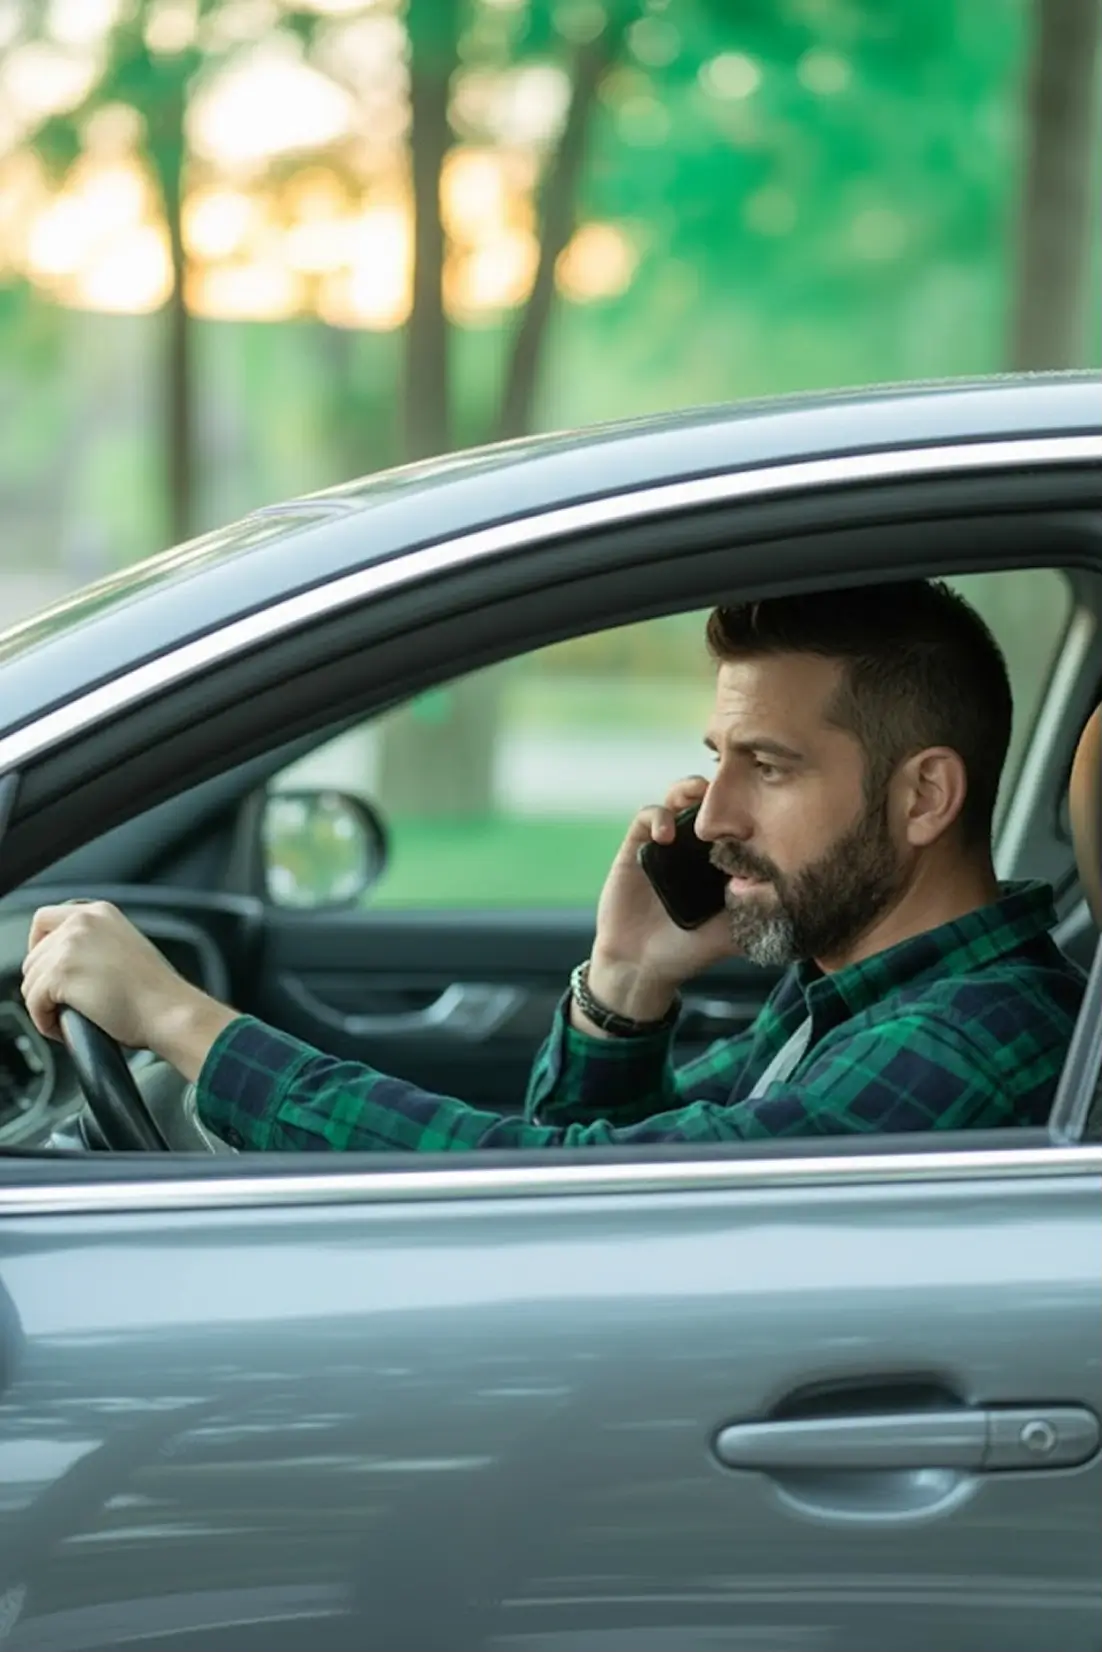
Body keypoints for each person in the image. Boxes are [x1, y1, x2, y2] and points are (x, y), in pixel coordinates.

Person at [21, 581, 1084, 1151]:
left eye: (768, 766)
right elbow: (597, 1183)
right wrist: (625, 980)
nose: (714, 813)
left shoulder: (975, 1037)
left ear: (922, 796)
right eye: (717, 759)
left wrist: (180, 1020)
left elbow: (552, 1196)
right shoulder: (848, 1002)